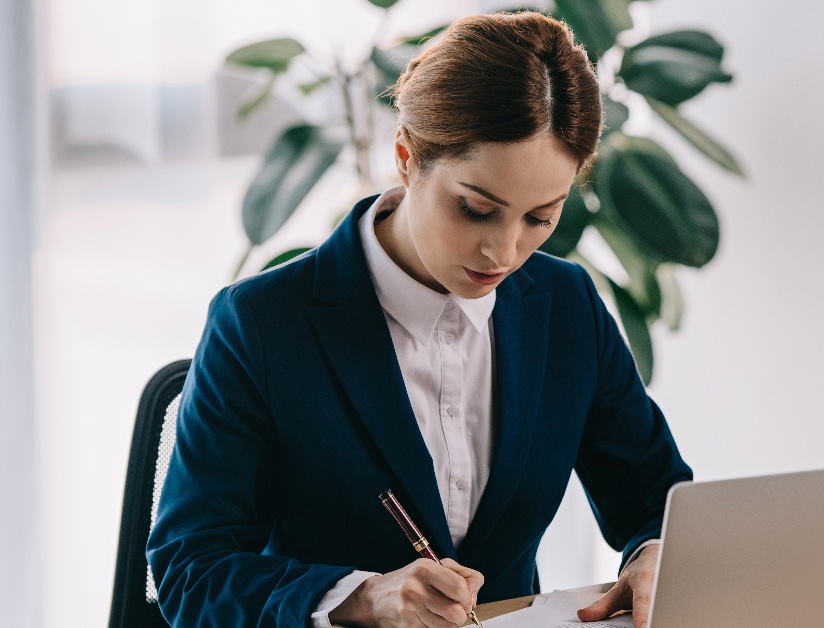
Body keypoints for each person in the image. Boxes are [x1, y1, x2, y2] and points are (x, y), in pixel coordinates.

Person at [147, 12, 692, 628]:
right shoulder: (262, 324)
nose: (504, 253)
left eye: (540, 217)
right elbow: (191, 570)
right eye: (476, 209)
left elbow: (658, 498)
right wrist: (361, 598)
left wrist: (655, 556)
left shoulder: (565, 305)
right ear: (407, 157)